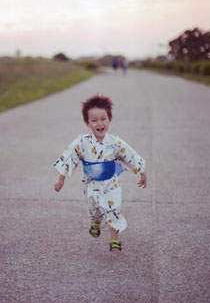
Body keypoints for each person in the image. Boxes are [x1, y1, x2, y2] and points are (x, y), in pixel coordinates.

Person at [53, 95, 147, 252]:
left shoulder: (115, 142)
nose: (99, 123)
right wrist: (60, 179)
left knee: (113, 209)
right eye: (94, 120)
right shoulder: (81, 142)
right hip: (92, 184)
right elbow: (70, 158)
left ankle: (115, 240)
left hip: (112, 183)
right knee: (95, 210)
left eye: (103, 119)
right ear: (87, 123)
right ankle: (96, 221)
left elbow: (129, 154)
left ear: (110, 119)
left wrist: (141, 171)